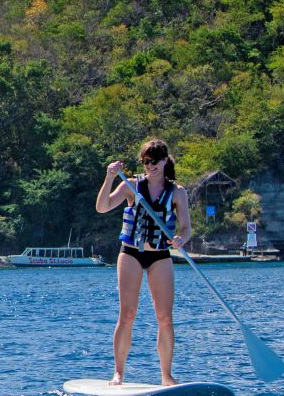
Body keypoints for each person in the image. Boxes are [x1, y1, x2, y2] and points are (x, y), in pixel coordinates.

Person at [95, 139, 192, 386]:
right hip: (131, 254)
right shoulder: (131, 186)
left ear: (165, 161)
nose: (150, 166)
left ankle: (166, 376)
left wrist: (181, 238)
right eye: (146, 161)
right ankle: (118, 373)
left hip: (160, 255)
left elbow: (186, 228)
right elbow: (102, 207)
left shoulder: (178, 192)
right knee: (127, 314)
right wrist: (110, 178)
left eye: (155, 161)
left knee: (165, 318)